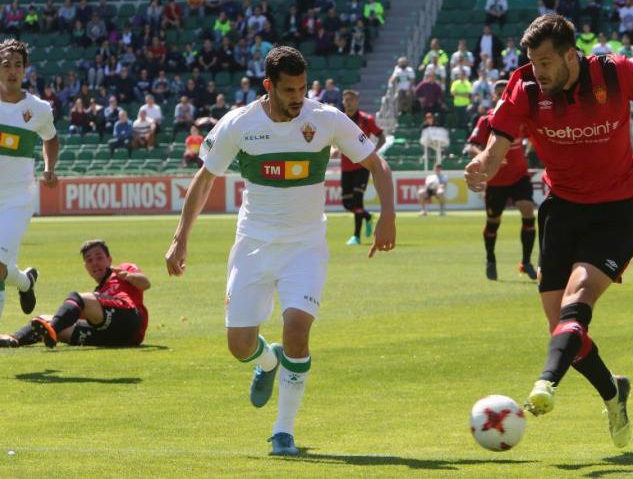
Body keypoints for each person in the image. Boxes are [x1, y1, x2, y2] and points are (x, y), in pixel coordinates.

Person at [464, 13, 633, 449]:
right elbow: (497, 145)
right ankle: (613, 392)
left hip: (616, 212)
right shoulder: (524, 87)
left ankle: (545, 383)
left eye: (546, 62)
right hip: (562, 211)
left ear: (571, 55)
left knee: (579, 297)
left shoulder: (614, 73)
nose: (538, 71)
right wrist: (483, 165)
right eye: (533, 62)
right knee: (563, 328)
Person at [164, 46, 396, 456]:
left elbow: (376, 164)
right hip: (253, 245)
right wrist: (181, 237)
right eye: (289, 90)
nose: (298, 98)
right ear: (268, 85)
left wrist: (388, 217)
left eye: (303, 88)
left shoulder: (324, 118)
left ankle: (283, 431)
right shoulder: (239, 123)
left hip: (305, 247)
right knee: (239, 345)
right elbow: (205, 179)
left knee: (297, 332)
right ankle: (267, 362)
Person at [0, 39, 58, 321]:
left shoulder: (39, 109)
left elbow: (51, 138)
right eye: (6, 65)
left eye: (18, 65)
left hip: (16, 199)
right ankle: (25, 282)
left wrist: (49, 167)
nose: (12, 71)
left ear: (25, 69)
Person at [0, 240, 150, 348]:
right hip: (110, 336)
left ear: (109, 260)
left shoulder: (124, 270)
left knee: (77, 299)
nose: (95, 263)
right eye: (89, 260)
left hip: (131, 321)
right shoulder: (98, 294)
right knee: (43, 320)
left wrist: (127, 276)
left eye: (99, 257)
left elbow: (146, 283)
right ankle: (14, 339)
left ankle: (52, 329)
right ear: (86, 266)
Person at [465, 80, 537, 282]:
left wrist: (528, 152)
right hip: (496, 180)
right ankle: (490, 259)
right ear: (493, 96)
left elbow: (534, 136)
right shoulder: (486, 120)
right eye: (497, 93)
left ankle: (526, 262)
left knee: (527, 210)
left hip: (520, 176)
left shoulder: (521, 118)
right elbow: (471, 146)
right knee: (493, 221)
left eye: (504, 92)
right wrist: (487, 157)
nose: (501, 95)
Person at [339, 89, 385, 245]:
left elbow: (381, 136)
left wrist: (373, 153)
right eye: (346, 100)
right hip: (346, 167)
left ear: (357, 102)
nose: (348, 103)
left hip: (362, 166)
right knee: (347, 204)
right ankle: (368, 216)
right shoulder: (339, 120)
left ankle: (356, 237)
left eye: (351, 100)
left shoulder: (366, 119)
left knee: (357, 201)